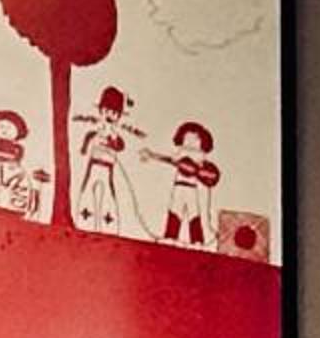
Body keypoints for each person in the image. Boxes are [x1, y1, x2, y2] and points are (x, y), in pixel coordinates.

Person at [74, 86, 140, 232]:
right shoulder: (96, 131)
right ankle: (84, 222)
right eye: (107, 111)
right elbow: (88, 138)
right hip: (94, 165)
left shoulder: (114, 134)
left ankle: (108, 225)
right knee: (88, 189)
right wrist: (84, 147)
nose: (110, 115)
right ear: (101, 111)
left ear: (118, 116)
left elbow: (120, 145)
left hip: (107, 168)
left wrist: (111, 141)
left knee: (108, 193)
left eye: (114, 113)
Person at [151, 120, 222, 248]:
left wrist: (153, 156)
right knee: (175, 211)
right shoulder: (182, 151)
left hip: (191, 188)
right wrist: (153, 155)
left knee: (194, 214)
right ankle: (171, 236)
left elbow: (175, 161)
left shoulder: (198, 154)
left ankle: (197, 241)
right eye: (187, 138)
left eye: (195, 139)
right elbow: (172, 160)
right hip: (179, 186)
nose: (190, 142)